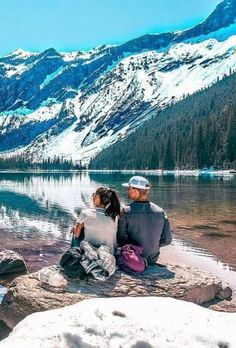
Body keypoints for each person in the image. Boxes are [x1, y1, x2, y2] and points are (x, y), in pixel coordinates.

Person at [117, 176, 172, 264]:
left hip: (133, 258)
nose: (127, 191)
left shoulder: (126, 211)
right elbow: (167, 240)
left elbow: (120, 238)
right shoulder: (160, 211)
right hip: (153, 259)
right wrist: (152, 245)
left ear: (135, 191)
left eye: (129, 188)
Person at [71, 187, 121, 254]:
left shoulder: (85, 213)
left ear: (97, 198)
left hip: (91, 254)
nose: (92, 197)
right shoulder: (115, 215)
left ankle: (74, 255)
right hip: (110, 254)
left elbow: (77, 234)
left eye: (94, 194)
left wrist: (75, 228)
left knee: (76, 232)